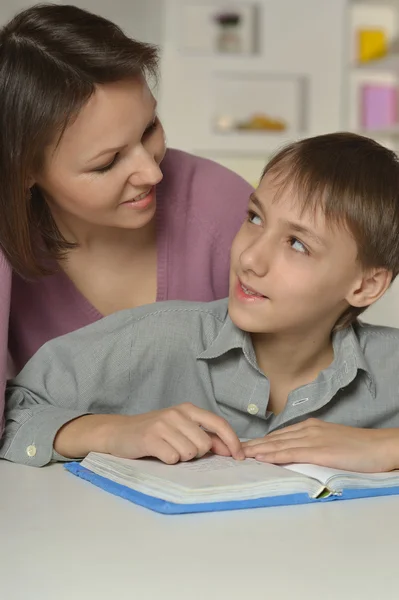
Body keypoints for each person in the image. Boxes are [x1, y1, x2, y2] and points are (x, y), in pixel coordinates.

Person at [3, 131, 399, 473]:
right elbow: (16, 409)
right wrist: (112, 431)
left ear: (365, 287)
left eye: (297, 244)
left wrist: (383, 447)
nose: (249, 258)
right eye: (255, 218)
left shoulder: (389, 363)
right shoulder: (159, 337)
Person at [0, 5, 252, 435]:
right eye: (109, 162)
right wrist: (104, 432)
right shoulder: (9, 238)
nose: (153, 172)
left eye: (149, 127)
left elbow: (317, 376)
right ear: (24, 171)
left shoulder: (225, 207)